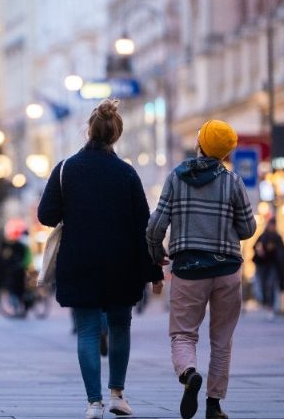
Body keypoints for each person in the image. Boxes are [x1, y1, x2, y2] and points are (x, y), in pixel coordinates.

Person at [38, 99, 164, 419]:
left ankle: (93, 403)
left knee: (88, 331)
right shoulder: (126, 174)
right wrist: (154, 271)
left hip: (80, 260)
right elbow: (144, 226)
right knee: (120, 327)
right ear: (116, 135)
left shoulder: (67, 169)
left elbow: (46, 215)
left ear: (88, 132)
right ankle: (117, 395)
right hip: (121, 263)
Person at [147, 119, 257, 419]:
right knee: (222, 339)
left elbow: (156, 226)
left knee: (183, 333)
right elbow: (248, 228)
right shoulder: (233, 182)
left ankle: (189, 372)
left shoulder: (176, 178)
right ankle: (214, 404)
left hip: (188, 269)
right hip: (227, 269)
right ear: (225, 153)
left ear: (200, 144)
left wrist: (156, 253)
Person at [252, 219, 284, 320]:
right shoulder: (263, 236)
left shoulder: (278, 237)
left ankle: (270, 307)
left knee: (270, 285)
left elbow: (283, 251)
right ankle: (267, 305)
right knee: (263, 286)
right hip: (263, 266)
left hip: (273, 266)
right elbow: (255, 247)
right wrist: (260, 251)